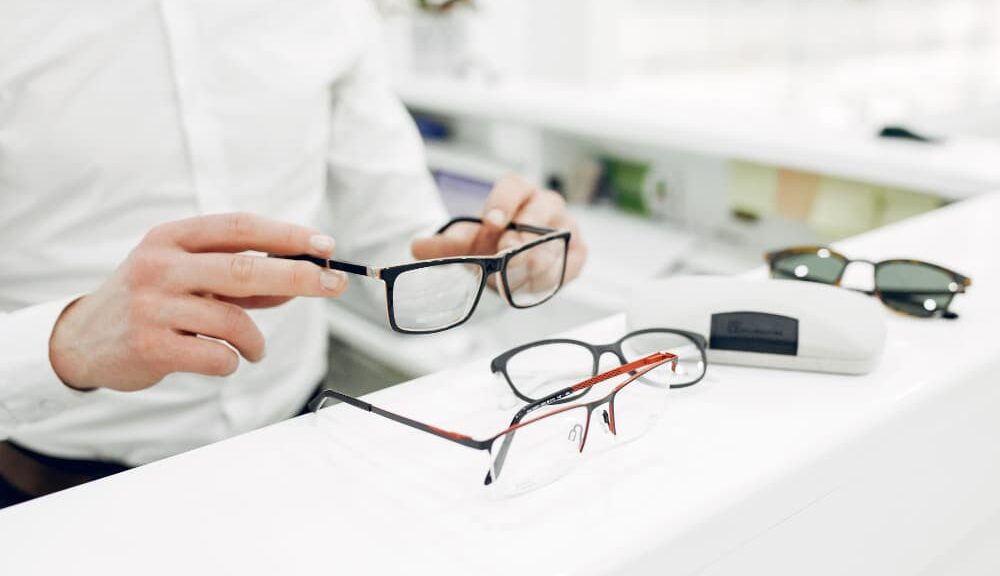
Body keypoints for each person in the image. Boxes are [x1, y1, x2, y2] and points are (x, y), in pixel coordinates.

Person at [0, 0, 586, 507]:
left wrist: (493, 267)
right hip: (54, 497)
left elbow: (396, 258)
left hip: (302, 456)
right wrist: (65, 343)